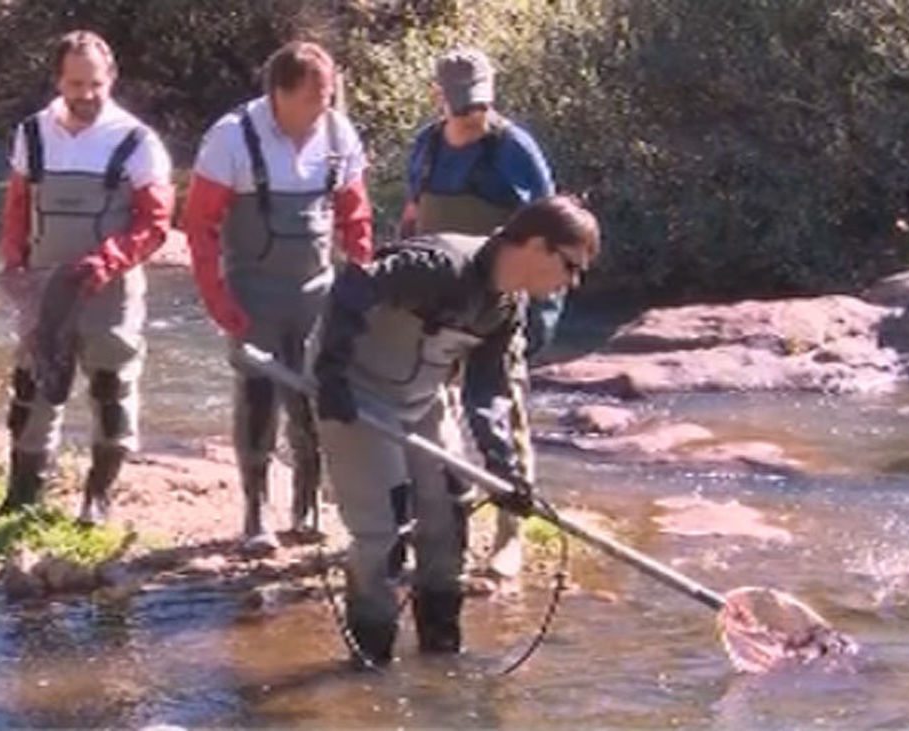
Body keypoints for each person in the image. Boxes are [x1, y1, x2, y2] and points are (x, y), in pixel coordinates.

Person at [314, 195, 599, 665]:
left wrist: (504, 472)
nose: (573, 281)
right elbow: (352, 287)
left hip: (422, 398)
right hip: (355, 394)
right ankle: (370, 659)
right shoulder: (437, 266)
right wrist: (330, 373)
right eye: (570, 266)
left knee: (449, 511)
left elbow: (486, 394)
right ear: (537, 246)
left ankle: (440, 651)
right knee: (382, 532)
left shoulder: (507, 309)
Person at [183, 41, 373, 554]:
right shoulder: (231, 139)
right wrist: (218, 301)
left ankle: (307, 505)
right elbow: (199, 226)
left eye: (329, 95)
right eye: (315, 97)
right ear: (279, 95)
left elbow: (355, 218)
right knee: (258, 399)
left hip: (318, 292)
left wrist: (362, 286)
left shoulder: (338, 133)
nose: (324, 107)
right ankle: (255, 510)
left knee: (313, 398)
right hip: (253, 294)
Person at [0, 30, 175, 525]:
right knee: (32, 390)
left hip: (109, 291)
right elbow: (16, 206)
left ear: (111, 78)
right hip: (44, 286)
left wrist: (110, 259)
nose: (86, 94)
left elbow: (156, 223)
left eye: (95, 83)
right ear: (58, 80)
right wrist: (13, 264)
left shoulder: (137, 141)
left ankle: (97, 502)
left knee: (111, 391)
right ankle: (21, 501)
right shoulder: (31, 134)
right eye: (76, 84)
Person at [399, 48, 560, 585]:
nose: (474, 115)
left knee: (498, 416)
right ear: (437, 97)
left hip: (498, 303)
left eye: (481, 104)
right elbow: (412, 215)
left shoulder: (513, 149)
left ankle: (511, 533)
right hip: (434, 301)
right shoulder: (425, 147)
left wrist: (542, 311)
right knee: (426, 412)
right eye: (463, 105)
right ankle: (438, 518)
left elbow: (551, 232)